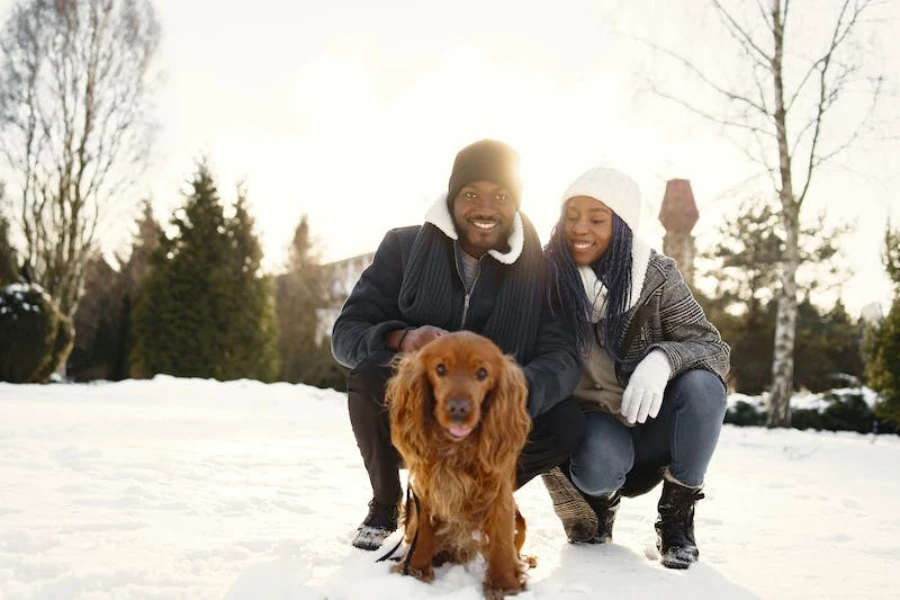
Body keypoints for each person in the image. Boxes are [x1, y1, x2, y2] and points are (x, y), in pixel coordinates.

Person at [331, 139, 583, 551]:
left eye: (500, 196)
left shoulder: (540, 268)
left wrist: (510, 386)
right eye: (471, 195)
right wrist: (404, 338)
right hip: (422, 408)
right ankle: (386, 501)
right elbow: (346, 334)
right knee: (369, 372)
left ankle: (472, 500)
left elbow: (564, 357)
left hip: (488, 414)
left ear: (515, 202)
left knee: (567, 421)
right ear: (452, 199)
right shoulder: (403, 247)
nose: (485, 209)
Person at [540, 166, 730, 569]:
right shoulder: (543, 277)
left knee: (705, 387)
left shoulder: (655, 277)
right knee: (597, 466)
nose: (580, 228)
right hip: (593, 429)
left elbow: (712, 347)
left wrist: (663, 359)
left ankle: (676, 517)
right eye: (572, 216)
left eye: (597, 218)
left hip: (652, 425)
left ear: (622, 224)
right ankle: (599, 503)